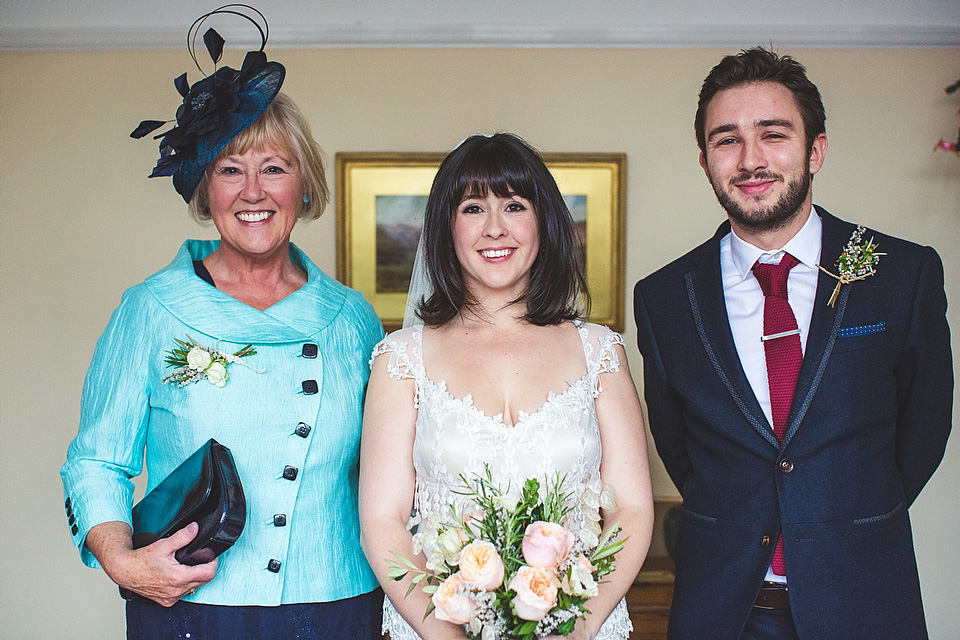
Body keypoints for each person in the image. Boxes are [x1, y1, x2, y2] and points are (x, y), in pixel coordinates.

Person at [60, 7, 384, 638]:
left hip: (336, 602)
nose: (252, 191)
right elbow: (96, 460)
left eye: (274, 168)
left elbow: (390, 466)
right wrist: (123, 563)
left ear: (306, 188)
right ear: (204, 190)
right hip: (189, 604)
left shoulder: (354, 320)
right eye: (231, 170)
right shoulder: (151, 309)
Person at [634, 47, 953, 640]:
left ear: (816, 150)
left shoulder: (901, 275)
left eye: (773, 134)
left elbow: (924, 428)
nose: (750, 159)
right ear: (704, 162)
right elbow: (680, 448)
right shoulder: (664, 298)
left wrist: (842, 516)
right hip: (721, 610)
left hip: (864, 601)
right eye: (726, 140)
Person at [359, 133, 654, 640]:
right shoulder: (401, 359)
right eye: (473, 207)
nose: (494, 228)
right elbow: (382, 523)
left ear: (543, 223)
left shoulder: (600, 353)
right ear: (446, 229)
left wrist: (579, 627)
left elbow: (631, 509)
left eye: (514, 205)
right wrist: (446, 634)